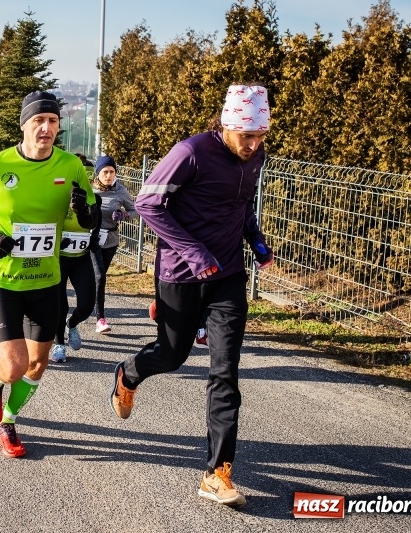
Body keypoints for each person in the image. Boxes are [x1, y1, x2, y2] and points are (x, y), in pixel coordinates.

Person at [109, 84, 275, 507]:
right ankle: (128, 373)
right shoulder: (191, 152)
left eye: (260, 137)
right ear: (225, 124)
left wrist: (254, 239)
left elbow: (240, 205)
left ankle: (217, 473)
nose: (253, 145)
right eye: (246, 137)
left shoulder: (254, 157)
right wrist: (193, 251)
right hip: (180, 274)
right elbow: (148, 204)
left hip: (227, 277)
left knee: (225, 370)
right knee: (172, 354)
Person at [0, 90, 96, 458]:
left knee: (37, 364)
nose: (45, 128)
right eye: (38, 121)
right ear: (24, 126)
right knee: (14, 364)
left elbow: (91, 219)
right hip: (5, 281)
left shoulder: (71, 166)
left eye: (52, 121)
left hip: (48, 280)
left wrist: (83, 211)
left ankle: (8, 422)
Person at [49, 192, 102, 363]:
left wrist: (94, 238)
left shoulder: (94, 198)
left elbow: (96, 221)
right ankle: (59, 344)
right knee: (59, 305)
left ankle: (71, 325)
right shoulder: (56, 197)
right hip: (58, 258)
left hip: (81, 258)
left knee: (87, 304)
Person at [90, 155, 137, 334]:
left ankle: (90, 306)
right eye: (105, 172)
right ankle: (100, 319)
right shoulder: (90, 190)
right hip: (91, 240)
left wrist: (124, 215)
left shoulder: (120, 191)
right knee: (99, 277)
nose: (109, 176)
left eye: (112, 172)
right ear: (97, 173)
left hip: (110, 240)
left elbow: (135, 211)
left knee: (98, 280)